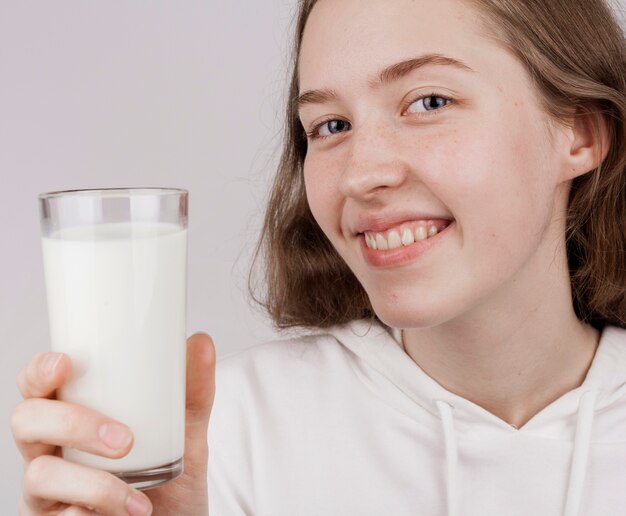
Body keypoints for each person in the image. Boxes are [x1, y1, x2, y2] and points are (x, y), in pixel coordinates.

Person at [11, 0, 626, 514]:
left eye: (429, 102)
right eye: (330, 125)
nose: (362, 175)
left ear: (581, 132)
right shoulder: (218, 438)